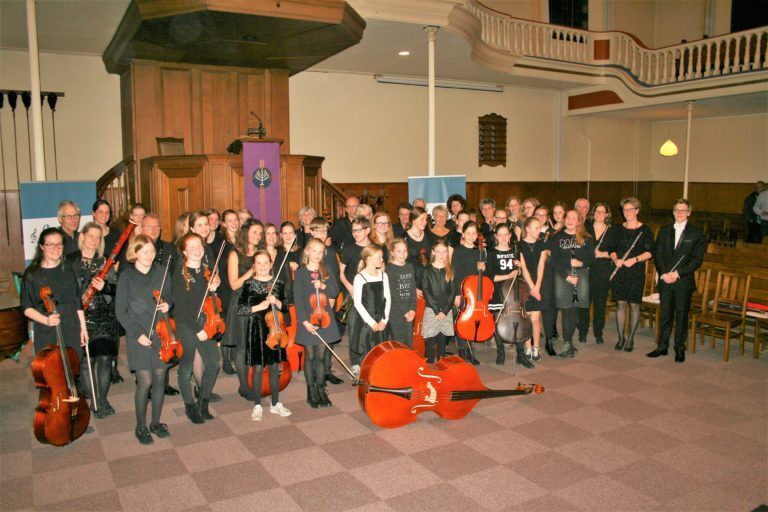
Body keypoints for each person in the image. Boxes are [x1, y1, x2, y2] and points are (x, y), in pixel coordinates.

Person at [115, 234, 171, 444]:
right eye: (145, 251)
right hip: (137, 334)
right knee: (145, 382)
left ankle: (155, 423)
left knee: (159, 378)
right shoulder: (127, 276)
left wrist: (168, 305)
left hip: (160, 333)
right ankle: (140, 426)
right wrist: (136, 334)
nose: (150, 255)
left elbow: (169, 298)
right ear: (135, 253)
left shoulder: (162, 272)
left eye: (152, 251)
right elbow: (121, 311)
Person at [21, 227, 89, 382]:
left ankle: (72, 404)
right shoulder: (32, 274)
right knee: (51, 373)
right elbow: (26, 307)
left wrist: (83, 329)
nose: (56, 248)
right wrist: (46, 320)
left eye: (59, 244)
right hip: (47, 327)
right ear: (41, 247)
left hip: (71, 324)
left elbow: (77, 301)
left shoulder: (68, 268)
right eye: (50, 244)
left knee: (72, 370)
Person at [68, 222, 119, 418]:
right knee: (85, 361)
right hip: (81, 316)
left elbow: (115, 289)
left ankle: (103, 399)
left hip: (104, 316)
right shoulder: (71, 261)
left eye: (98, 238)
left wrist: (104, 286)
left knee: (105, 359)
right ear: (83, 237)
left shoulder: (105, 261)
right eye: (91, 236)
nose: (94, 240)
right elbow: (66, 289)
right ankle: (94, 400)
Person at [648, 199, 706, 363]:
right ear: (673, 212)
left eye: (683, 210)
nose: (680, 213)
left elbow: (696, 260)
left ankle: (680, 349)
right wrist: (664, 273)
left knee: (681, 316)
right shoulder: (665, 231)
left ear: (689, 212)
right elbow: (658, 254)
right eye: (677, 210)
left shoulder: (696, 233)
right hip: (666, 279)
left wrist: (677, 273)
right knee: (665, 315)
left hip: (683, 281)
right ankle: (662, 346)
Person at [172, 233, 221, 424]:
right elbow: (182, 308)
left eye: (199, 245)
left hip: (206, 324)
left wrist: (214, 288)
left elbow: (210, 303)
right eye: (191, 247)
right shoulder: (179, 274)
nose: (197, 249)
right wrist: (197, 329)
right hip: (187, 325)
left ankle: (203, 403)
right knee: (186, 368)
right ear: (184, 251)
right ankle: (190, 406)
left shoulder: (207, 271)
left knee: (213, 364)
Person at [238, 250, 292, 421]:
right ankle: (257, 404)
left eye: (265, 263)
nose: (262, 266)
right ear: (254, 266)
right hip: (257, 330)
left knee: (275, 367)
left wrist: (277, 302)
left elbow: (285, 307)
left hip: (276, 330)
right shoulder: (249, 284)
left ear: (270, 264)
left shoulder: (279, 283)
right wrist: (259, 307)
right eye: (258, 263)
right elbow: (240, 309)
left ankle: (276, 404)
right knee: (259, 368)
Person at [294, 238, 341, 407]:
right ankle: (311, 391)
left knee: (321, 356)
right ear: (307, 252)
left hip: (324, 319)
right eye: (314, 250)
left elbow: (335, 291)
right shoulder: (300, 272)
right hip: (308, 320)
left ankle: (322, 389)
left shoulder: (326, 270)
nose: (317, 254)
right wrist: (305, 322)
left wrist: (323, 286)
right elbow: (298, 299)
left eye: (321, 252)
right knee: (311, 355)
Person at [140, 212, 179, 395]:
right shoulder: (136, 248)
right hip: (143, 306)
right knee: (146, 344)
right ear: (141, 228)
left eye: (157, 227)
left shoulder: (169, 249)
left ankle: (163, 383)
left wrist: (169, 299)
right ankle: (145, 386)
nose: (154, 230)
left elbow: (175, 273)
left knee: (165, 340)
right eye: (149, 226)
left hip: (164, 300)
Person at [609, 198, 654, 352]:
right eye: (625, 210)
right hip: (620, 270)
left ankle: (630, 338)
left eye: (630, 209)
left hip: (635, 271)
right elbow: (611, 248)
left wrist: (634, 259)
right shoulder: (617, 229)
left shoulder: (645, 230)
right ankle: (621, 337)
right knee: (620, 304)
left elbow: (649, 252)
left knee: (634, 305)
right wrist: (616, 259)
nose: (627, 212)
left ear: (637, 210)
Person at [548, 210, 595, 359]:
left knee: (575, 308)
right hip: (562, 274)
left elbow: (591, 259)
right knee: (565, 308)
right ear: (564, 219)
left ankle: (569, 342)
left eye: (574, 218)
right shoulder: (557, 237)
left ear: (579, 221)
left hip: (580, 274)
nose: (570, 220)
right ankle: (568, 342)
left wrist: (580, 263)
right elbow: (553, 260)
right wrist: (567, 275)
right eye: (568, 217)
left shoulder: (586, 238)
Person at [226, 220, 264, 399]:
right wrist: (251, 271)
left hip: (258, 303)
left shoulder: (260, 253)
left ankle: (253, 382)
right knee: (242, 347)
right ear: (246, 232)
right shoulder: (235, 253)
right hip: (241, 302)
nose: (258, 236)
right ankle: (244, 386)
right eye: (255, 232)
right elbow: (233, 285)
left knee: (255, 346)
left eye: (260, 233)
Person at [308, 216, 344, 384]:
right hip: (312, 302)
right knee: (314, 337)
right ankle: (315, 370)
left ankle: (327, 369)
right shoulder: (307, 252)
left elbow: (335, 277)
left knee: (329, 335)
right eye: (318, 230)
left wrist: (331, 298)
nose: (322, 234)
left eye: (324, 231)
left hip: (329, 299)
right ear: (311, 231)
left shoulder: (330, 252)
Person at [487, 223, 528, 366]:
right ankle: (501, 351)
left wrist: (520, 268)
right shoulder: (491, 253)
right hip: (498, 291)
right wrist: (508, 276)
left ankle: (521, 354)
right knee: (497, 322)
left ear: (510, 236)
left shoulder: (516, 251)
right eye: (500, 234)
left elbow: (520, 274)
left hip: (514, 293)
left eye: (506, 234)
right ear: (496, 236)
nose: (504, 237)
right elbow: (490, 276)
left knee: (519, 319)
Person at [349, 245, 391, 369]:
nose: (382, 260)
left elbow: (388, 299)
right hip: (366, 321)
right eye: (379, 257)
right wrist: (372, 323)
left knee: (380, 351)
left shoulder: (384, 275)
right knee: (367, 350)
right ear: (369, 258)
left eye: (382, 257)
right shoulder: (360, 277)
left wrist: (384, 320)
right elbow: (357, 303)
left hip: (381, 319)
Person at [450, 221, 484, 364]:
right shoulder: (458, 250)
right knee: (462, 320)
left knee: (472, 320)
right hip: (462, 291)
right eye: (468, 233)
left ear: (477, 235)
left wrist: (482, 268)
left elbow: (481, 275)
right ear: (463, 234)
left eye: (474, 233)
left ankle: (471, 351)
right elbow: (455, 273)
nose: (471, 236)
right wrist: (457, 294)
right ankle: (462, 350)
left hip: (475, 292)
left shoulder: (479, 252)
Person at [519, 216, 550, 362]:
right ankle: (527, 345)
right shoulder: (520, 245)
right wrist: (531, 287)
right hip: (525, 284)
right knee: (527, 316)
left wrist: (537, 287)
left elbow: (541, 266)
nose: (539, 230)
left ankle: (536, 346)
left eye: (540, 227)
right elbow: (523, 268)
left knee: (536, 318)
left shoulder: (541, 244)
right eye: (536, 228)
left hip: (539, 282)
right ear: (527, 229)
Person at [420, 240, 455, 363]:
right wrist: (436, 310)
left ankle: (441, 366)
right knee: (430, 341)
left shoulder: (449, 270)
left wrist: (444, 311)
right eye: (438, 252)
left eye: (444, 252)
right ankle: (429, 366)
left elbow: (452, 292)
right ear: (433, 252)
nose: (442, 255)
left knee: (442, 341)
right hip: (432, 310)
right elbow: (426, 291)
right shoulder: (427, 270)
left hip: (446, 310)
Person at [585, 203, 614, 344]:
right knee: (585, 302)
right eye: (597, 211)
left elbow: (616, 252)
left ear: (607, 214)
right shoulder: (586, 227)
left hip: (603, 270)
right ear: (593, 212)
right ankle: (582, 331)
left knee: (599, 303)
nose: (599, 214)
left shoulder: (611, 231)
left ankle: (598, 333)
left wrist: (603, 253)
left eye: (603, 212)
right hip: (586, 270)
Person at [386, 239, 417, 348]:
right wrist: (405, 312)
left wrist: (412, 309)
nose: (402, 254)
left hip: (409, 310)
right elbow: (393, 294)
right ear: (392, 253)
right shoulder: (389, 270)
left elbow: (413, 289)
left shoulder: (409, 267)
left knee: (408, 342)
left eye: (404, 251)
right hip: (396, 312)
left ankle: (407, 363)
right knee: (398, 342)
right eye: (399, 251)